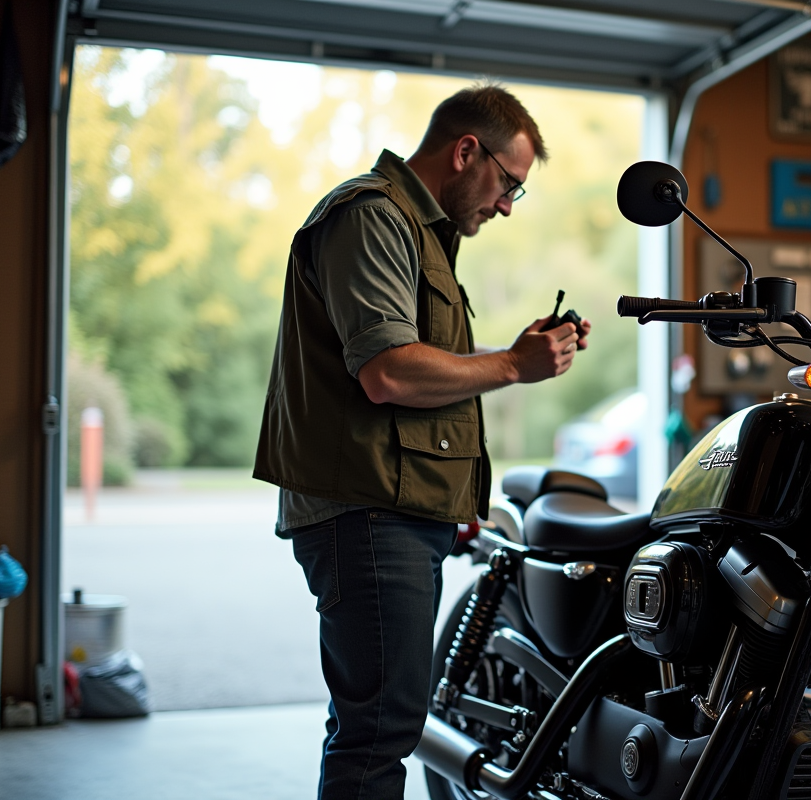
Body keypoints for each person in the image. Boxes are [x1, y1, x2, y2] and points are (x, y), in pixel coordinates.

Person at [253, 82, 589, 800]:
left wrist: (452, 498)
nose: (504, 205)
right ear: (467, 151)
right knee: (376, 736)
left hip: (396, 509)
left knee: (380, 725)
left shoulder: (420, 234)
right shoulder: (373, 216)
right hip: (366, 513)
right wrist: (512, 365)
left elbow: (423, 390)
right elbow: (387, 373)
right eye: (510, 185)